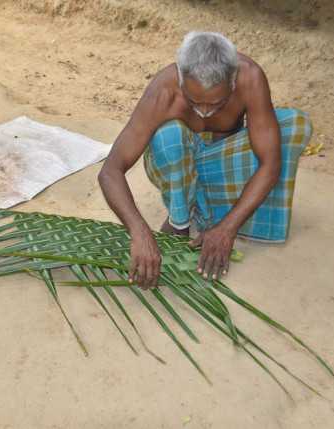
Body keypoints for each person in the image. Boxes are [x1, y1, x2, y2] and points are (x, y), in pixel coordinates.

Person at [98, 31, 312, 289]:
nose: (204, 111)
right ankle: (180, 219)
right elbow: (110, 171)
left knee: (293, 125)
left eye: (217, 104)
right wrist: (139, 232)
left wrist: (227, 229)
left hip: (218, 164)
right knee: (169, 135)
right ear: (180, 78)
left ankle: (215, 216)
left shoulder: (250, 78)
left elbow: (270, 163)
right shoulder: (163, 91)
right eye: (194, 101)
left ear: (233, 81)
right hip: (175, 168)